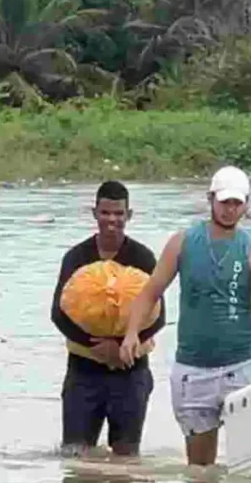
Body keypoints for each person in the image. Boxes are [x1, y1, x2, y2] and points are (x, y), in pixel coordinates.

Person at [120, 166, 251, 466]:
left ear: (245, 204)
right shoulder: (182, 242)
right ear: (210, 199)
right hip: (194, 369)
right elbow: (150, 292)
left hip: (242, 365)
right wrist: (132, 333)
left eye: (237, 203)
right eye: (224, 202)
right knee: (200, 471)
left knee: (249, 464)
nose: (230, 210)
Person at [51, 180, 166, 457]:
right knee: (76, 455)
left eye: (118, 213)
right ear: (94, 213)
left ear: (129, 215)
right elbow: (59, 313)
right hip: (84, 370)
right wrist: (97, 347)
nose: (112, 220)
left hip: (131, 370)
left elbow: (159, 317)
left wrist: (123, 345)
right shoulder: (77, 257)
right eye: (105, 213)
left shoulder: (143, 258)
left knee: (126, 456)